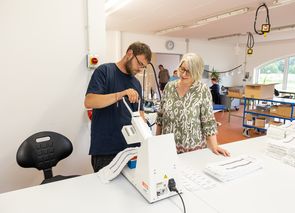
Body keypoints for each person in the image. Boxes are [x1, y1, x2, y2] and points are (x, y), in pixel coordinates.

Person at [84, 42, 152, 172]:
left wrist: (146, 135)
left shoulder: (136, 83)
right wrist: (120, 95)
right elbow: (89, 101)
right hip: (106, 151)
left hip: (131, 149)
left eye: (143, 67)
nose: (140, 69)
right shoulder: (104, 71)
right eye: (139, 64)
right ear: (130, 54)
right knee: (106, 191)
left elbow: (140, 113)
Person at [156, 53, 230, 156]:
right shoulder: (169, 87)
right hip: (168, 148)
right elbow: (160, 116)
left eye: (189, 72)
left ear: (196, 72)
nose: (184, 74)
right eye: (182, 69)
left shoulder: (202, 90)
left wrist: (214, 146)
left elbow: (208, 121)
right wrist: (156, 141)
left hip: (193, 149)